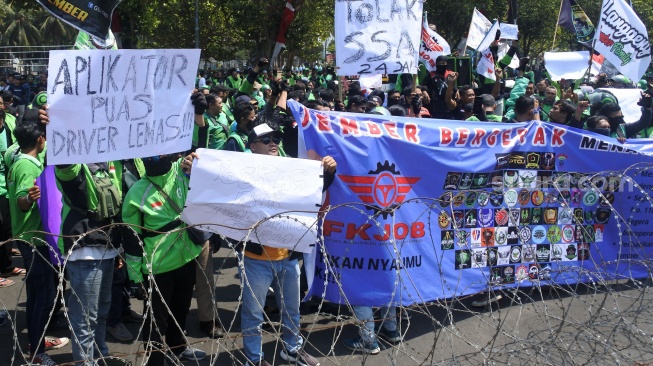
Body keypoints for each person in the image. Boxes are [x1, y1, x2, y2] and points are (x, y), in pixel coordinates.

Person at [226, 118, 334, 366]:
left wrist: (328, 173)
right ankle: (254, 358)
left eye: (275, 139)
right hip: (255, 259)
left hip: (288, 256)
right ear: (252, 146)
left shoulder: (289, 168)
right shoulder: (241, 171)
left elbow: (313, 192)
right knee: (253, 313)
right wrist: (192, 166)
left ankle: (292, 349)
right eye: (266, 140)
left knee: (292, 310)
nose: (273, 143)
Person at [122, 153, 206, 364]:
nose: (156, 156)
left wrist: (196, 165)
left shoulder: (182, 170)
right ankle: (155, 358)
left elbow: (209, 183)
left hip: (187, 256)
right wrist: (135, 278)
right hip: (158, 266)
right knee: (156, 320)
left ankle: (177, 347)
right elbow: (132, 240)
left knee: (181, 308)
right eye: (150, 155)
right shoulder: (136, 193)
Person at [9, 114, 69, 365]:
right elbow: (22, 199)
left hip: (31, 237)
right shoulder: (27, 165)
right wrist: (29, 198)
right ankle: (36, 351)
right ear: (40, 140)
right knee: (42, 295)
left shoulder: (19, 159)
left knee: (38, 293)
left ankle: (38, 338)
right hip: (35, 240)